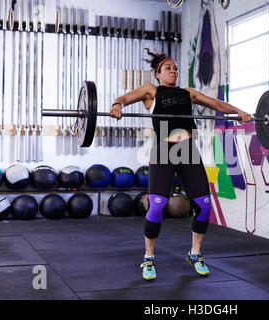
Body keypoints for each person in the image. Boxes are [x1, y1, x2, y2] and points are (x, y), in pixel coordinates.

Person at [110, 49, 252, 281]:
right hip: (164, 150)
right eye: (168, 68)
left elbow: (217, 104)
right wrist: (117, 105)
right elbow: (124, 99)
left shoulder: (189, 93)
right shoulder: (151, 91)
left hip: (187, 151)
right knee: (156, 205)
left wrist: (239, 111)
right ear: (158, 73)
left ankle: (195, 254)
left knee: (204, 205)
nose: (173, 71)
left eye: (175, 68)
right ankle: (148, 258)